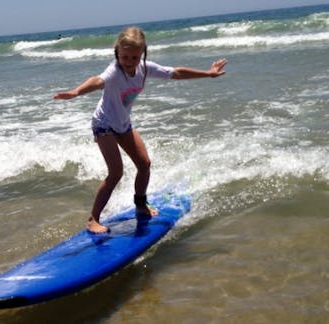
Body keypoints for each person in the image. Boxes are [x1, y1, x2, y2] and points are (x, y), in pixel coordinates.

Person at [53, 27, 227, 234]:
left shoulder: (144, 68)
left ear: (142, 54)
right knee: (116, 172)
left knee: (144, 164)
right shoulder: (114, 71)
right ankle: (93, 219)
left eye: (135, 57)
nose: (129, 61)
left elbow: (176, 73)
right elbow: (98, 81)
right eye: (125, 56)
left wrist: (208, 73)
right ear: (117, 53)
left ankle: (140, 204)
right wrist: (76, 92)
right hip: (104, 124)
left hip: (123, 124)